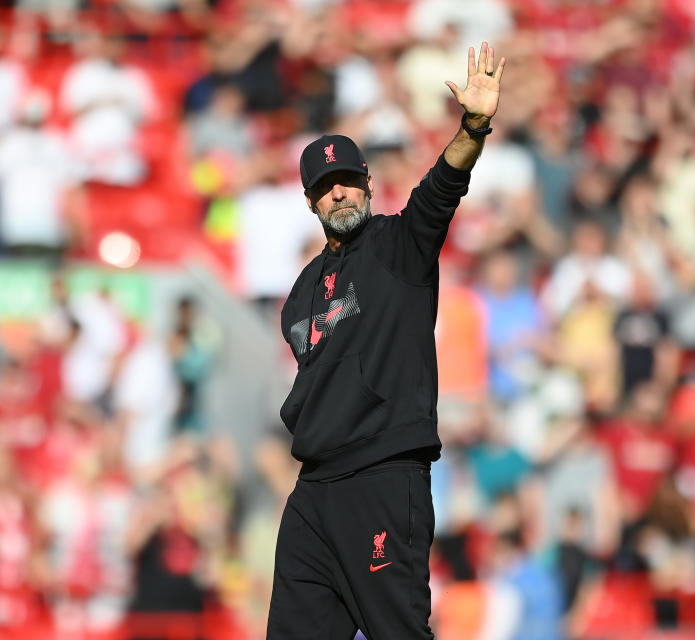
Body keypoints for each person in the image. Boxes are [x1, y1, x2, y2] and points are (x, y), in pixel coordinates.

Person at [266, 42, 505, 639]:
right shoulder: (299, 293)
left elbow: (444, 184)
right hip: (315, 487)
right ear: (310, 201)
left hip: (381, 474)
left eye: (348, 180)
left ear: (368, 184)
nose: (339, 193)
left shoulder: (400, 246)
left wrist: (472, 127)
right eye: (326, 186)